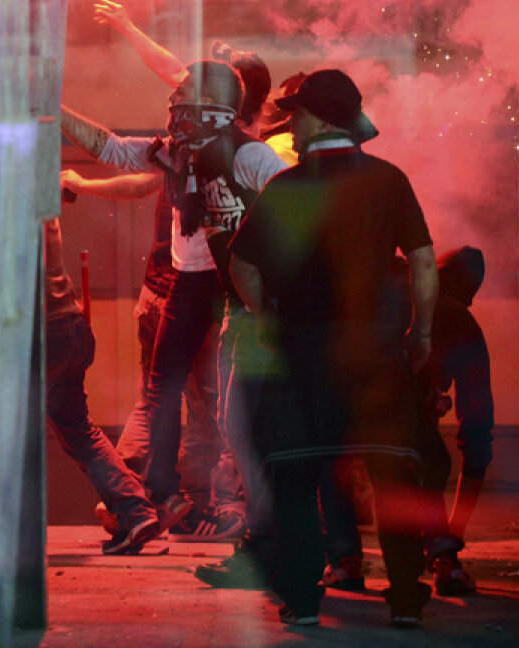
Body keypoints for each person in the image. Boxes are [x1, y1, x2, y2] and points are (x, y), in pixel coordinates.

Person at [228, 68, 439, 628]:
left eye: (295, 114)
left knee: (297, 478)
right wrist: (420, 332)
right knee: (393, 475)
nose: (289, 126)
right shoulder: (388, 180)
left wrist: (268, 318)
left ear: (319, 117)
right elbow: (422, 260)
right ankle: (406, 600)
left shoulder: (287, 188)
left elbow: (243, 265)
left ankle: (300, 599)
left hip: (301, 357)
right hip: (374, 351)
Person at [61, 59, 287, 532]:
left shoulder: (251, 155)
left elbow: (291, 199)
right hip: (190, 278)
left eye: (185, 89)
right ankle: (164, 489)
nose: (174, 98)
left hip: (238, 284)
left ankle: (256, 511)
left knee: (231, 404)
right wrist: (56, 112)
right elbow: (116, 149)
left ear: (214, 102)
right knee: (162, 386)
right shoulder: (176, 153)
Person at [44, 214, 169, 555]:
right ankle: (136, 512)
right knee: (79, 431)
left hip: (39, 331)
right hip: (69, 324)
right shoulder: (35, 186)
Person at [417, 245, 494, 595]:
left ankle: (344, 557)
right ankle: (444, 561)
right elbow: (477, 427)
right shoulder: (462, 323)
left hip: (361, 418)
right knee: (430, 462)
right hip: (413, 425)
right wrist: (453, 531)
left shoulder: (401, 295)